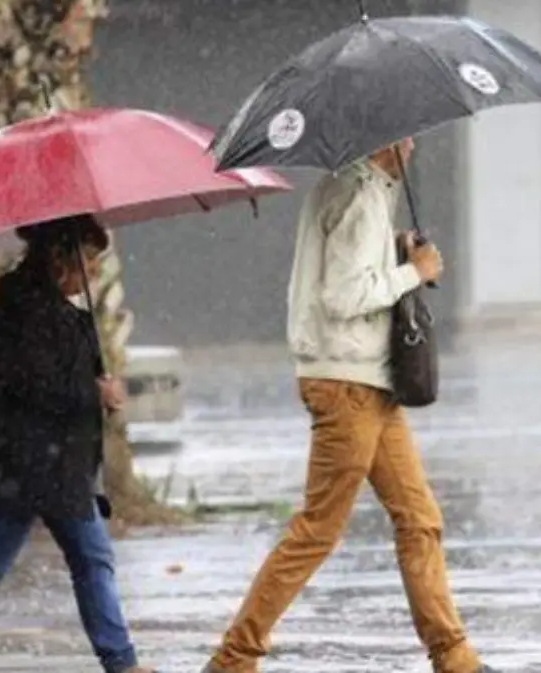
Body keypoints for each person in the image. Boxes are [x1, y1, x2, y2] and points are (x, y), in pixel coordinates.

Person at [202, 138, 497, 673]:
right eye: (405, 136)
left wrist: (396, 248)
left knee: (419, 518)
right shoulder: (359, 196)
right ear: (383, 142)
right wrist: (415, 272)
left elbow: (348, 271)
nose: (412, 144)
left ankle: (455, 658)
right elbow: (342, 296)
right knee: (317, 531)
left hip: (367, 381)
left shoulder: (352, 190)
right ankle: (233, 659)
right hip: (349, 385)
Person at [0, 215, 156, 673]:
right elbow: (32, 385)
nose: (94, 272)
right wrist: (93, 391)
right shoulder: (22, 304)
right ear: (61, 257)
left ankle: (121, 662)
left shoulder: (48, 304)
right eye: (89, 261)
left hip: (52, 467)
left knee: (87, 558)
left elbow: (56, 374)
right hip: (29, 465)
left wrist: (91, 378)